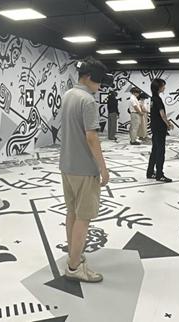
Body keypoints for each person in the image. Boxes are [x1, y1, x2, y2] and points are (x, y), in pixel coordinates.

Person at [59, 59, 112, 283]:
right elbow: (91, 137)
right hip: (83, 168)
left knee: (72, 213)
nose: (100, 86)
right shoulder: (88, 100)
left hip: (67, 165)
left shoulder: (68, 95)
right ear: (89, 77)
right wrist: (103, 168)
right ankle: (74, 267)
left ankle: (74, 256)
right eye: (99, 81)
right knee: (84, 217)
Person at [147, 78, 174, 182]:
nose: (164, 87)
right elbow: (162, 115)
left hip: (154, 126)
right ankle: (159, 174)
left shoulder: (153, 99)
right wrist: (168, 124)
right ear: (158, 87)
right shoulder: (158, 99)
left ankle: (150, 172)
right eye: (163, 85)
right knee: (160, 151)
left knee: (155, 149)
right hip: (159, 127)